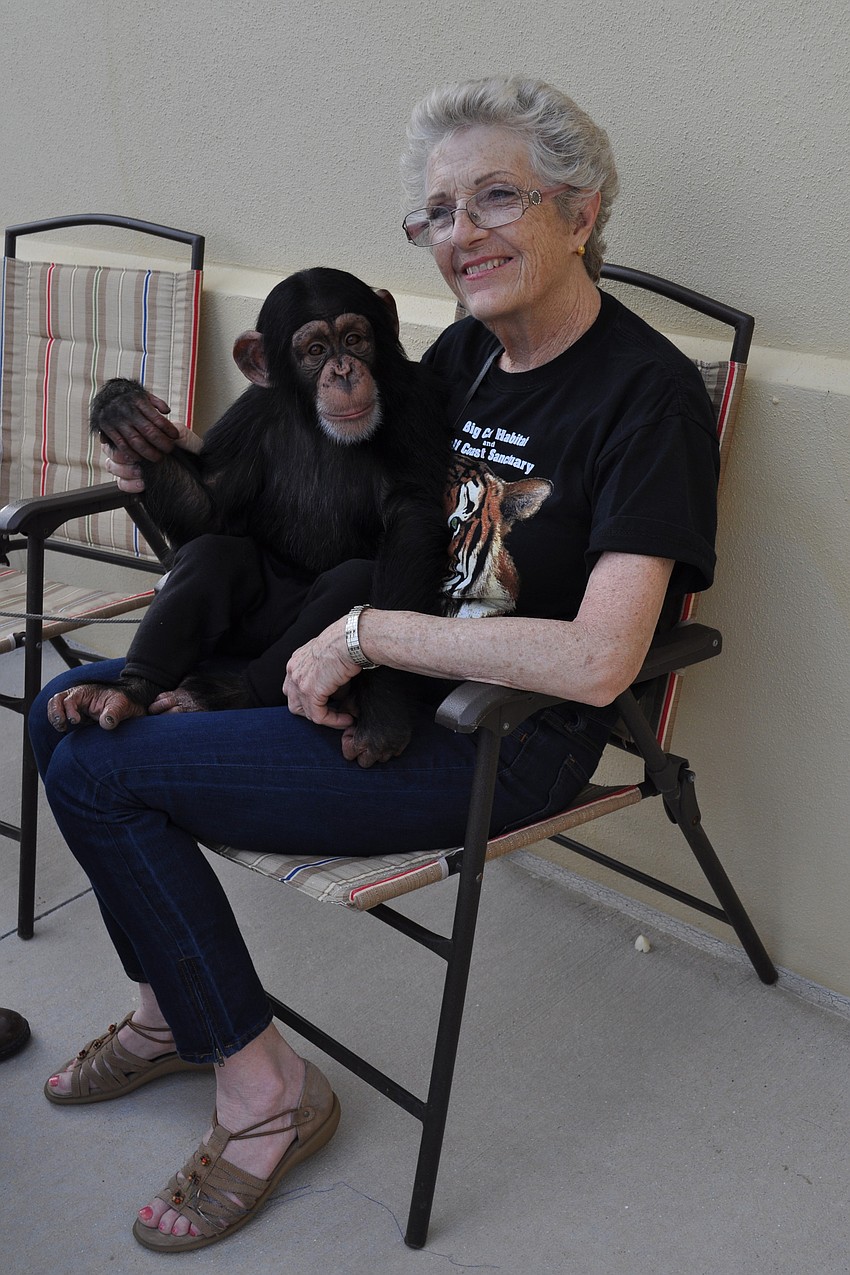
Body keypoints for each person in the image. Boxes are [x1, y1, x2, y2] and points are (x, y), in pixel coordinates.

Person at [30, 75, 718, 1253]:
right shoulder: (455, 359)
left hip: (496, 733)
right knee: (61, 712)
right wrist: (168, 479)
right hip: (351, 679)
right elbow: (289, 500)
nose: (463, 234)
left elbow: (606, 658)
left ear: (581, 211)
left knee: (101, 772)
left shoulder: (644, 397)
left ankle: (264, 1099)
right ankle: (167, 1012)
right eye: (439, 212)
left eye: (496, 196)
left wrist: (366, 636)